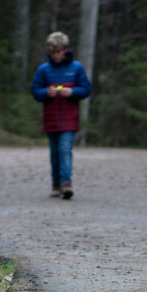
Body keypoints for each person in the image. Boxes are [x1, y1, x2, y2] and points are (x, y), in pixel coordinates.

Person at [30, 32, 91, 199]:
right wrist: (46, 92)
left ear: (65, 49)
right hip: (50, 118)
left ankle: (66, 184)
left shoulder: (76, 68)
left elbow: (86, 89)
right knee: (55, 153)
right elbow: (35, 91)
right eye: (52, 52)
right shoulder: (43, 69)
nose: (55, 55)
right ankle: (56, 183)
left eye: (58, 52)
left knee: (65, 150)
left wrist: (72, 91)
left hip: (70, 118)